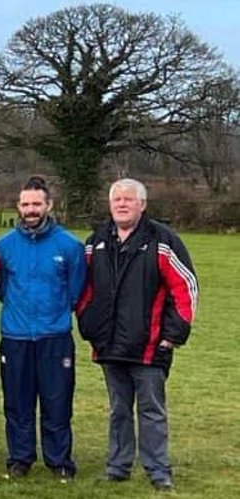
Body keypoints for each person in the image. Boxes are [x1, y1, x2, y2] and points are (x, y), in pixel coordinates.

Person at [77, 178, 197, 491]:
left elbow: (185, 288)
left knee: (152, 410)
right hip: (109, 344)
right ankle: (118, 467)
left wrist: (172, 335)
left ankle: (159, 471)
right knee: (118, 409)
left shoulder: (163, 240)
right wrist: (89, 325)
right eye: (116, 198)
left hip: (150, 345)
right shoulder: (96, 241)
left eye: (129, 199)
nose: (121, 203)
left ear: (142, 205)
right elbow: (83, 289)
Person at [0, 176, 85, 480]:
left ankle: (59, 461)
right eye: (25, 204)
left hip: (54, 337)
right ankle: (20, 458)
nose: (31, 209)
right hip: (16, 337)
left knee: (56, 402)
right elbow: (2, 288)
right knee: (17, 403)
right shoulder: (4, 246)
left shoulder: (70, 246)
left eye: (36, 204)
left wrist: (52, 314)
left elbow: (75, 292)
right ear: (18, 206)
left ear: (49, 205)